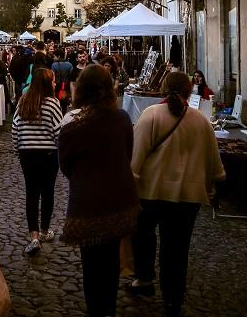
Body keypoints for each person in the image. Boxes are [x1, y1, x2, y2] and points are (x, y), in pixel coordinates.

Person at [129, 72, 226, 317]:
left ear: (163, 88)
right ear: (189, 91)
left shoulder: (149, 116)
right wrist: (213, 185)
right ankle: (173, 299)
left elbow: (136, 159)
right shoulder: (201, 121)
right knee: (177, 249)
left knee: (143, 235)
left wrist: (131, 184)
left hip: (151, 192)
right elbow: (215, 164)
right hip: (187, 195)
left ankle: (144, 278)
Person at [58, 64, 139, 317]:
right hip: (118, 200)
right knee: (111, 260)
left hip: (88, 202)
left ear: (80, 89)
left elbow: (65, 166)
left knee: (92, 263)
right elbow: (127, 154)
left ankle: (97, 309)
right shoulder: (122, 119)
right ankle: (109, 309)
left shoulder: (72, 125)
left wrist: (86, 178)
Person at [12, 67, 63, 256]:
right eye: (53, 80)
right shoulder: (52, 103)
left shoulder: (23, 101)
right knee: (48, 192)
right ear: (46, 83)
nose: (55, 83)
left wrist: (18, 149)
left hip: (27, 154)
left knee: (31, 194)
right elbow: (58, 131)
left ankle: (33, 237)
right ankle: (44, 230)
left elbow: (15, 128)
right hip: (48, 154)